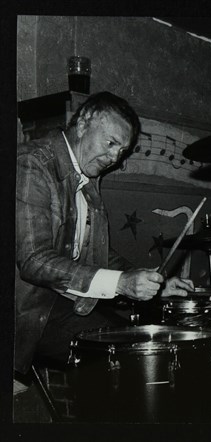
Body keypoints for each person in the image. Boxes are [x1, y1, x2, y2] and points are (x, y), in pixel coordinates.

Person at [15, 92, 195, 380]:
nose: (114, 158)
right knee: (129, 359)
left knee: (146, 342)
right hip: (28, 313)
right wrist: (121, 283)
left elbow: (97, 254)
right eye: (110, 143)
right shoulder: (31, 164)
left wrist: (148, 282)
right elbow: (34, 260)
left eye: (121, 151)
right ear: (84, 122)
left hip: (65, 304)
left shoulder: (87, 177)